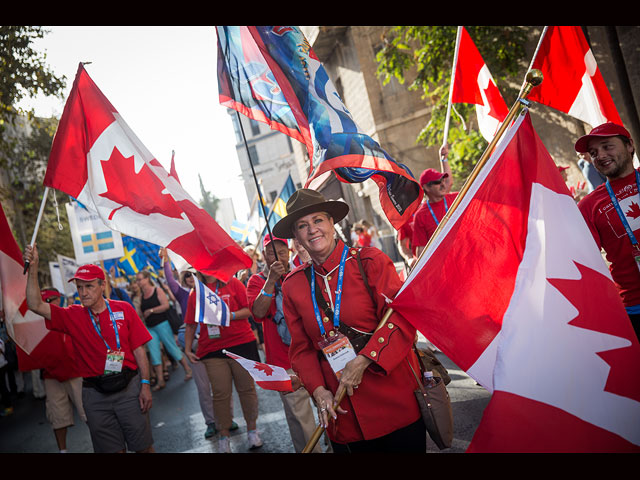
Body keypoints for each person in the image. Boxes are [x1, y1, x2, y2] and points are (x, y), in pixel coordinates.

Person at [273, 189, 426, 453]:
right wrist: (318, 391)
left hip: (394, 401)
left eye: (318, 220)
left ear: (332, 223)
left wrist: (364, 360)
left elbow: (401, 321)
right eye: (302, 225)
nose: (312, 230)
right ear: (296, 237)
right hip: (342, 414)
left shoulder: (370, 261)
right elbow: (301, 349)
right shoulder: (293, 285)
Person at [23, 244, 155, 453]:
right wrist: (33, 268)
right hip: (95, 396)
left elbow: (139, 350)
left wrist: (145, 385)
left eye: (89, 286)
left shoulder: (124, 309)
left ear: (102, 286)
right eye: (79, 287)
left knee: (143, 448)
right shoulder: (72, 315)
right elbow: (35, 305)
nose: (83, 292)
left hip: (129, 388)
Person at [247, 234, 323, 453]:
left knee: (329, 406)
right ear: (264, 255)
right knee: (300, 417)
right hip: (284, 361)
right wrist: (271, 281)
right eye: (272, 252)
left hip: (314, 353)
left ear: (289, 252)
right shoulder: (256, 281)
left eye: (281, 251)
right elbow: (258, 312)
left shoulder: (300, 273)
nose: (278, 256)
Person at [183, 270, 263, 453]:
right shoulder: (196, 293)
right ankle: (224, 436)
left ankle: (252, 431)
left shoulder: (233, 283)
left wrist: (228, 315)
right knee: (220, 393)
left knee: (247, 389)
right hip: (212, 349)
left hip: (241, 343)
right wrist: (187, 349)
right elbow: (190, 323)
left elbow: (249, 310)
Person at [160, 249, 237, 439]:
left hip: (215, 342)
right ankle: (211, 422)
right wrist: (166, 260)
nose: (191, 279)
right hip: (196, 347)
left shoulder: (212, 292)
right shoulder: (183, 295)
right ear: (185, 280)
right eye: (187, 277)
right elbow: (170, 280)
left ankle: (228, 418)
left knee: (223, 385)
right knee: (203, 387)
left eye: (194, 275)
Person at [575, 122, 640, 341]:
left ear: (629, 145)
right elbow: (584, 264)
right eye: (593, 153)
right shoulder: (589, 206)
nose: (600, 156)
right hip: (634, 307)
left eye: (607, 146)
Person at [38, 288, 88, 453]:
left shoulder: (67, 315)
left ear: (58, 299)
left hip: (74, 372)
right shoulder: (35, 324)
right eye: (45, 300)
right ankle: (63, 451)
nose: (49, 303)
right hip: (51, 375)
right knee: (57, 417)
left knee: (88, 412)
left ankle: (102, 445)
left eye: (51, 299)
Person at [136, 270, 192, 391]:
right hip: (150, 327)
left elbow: (166, 305)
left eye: (140, 279)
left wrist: (151, 311)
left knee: (172, 348)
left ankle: (188, 369)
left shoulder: (157, 290)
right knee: (154, 353)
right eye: (137, 280)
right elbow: (140, 313)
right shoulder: (141, 296)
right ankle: (160, 380)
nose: (138, 282)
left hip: (162, 324)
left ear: (147, 279)